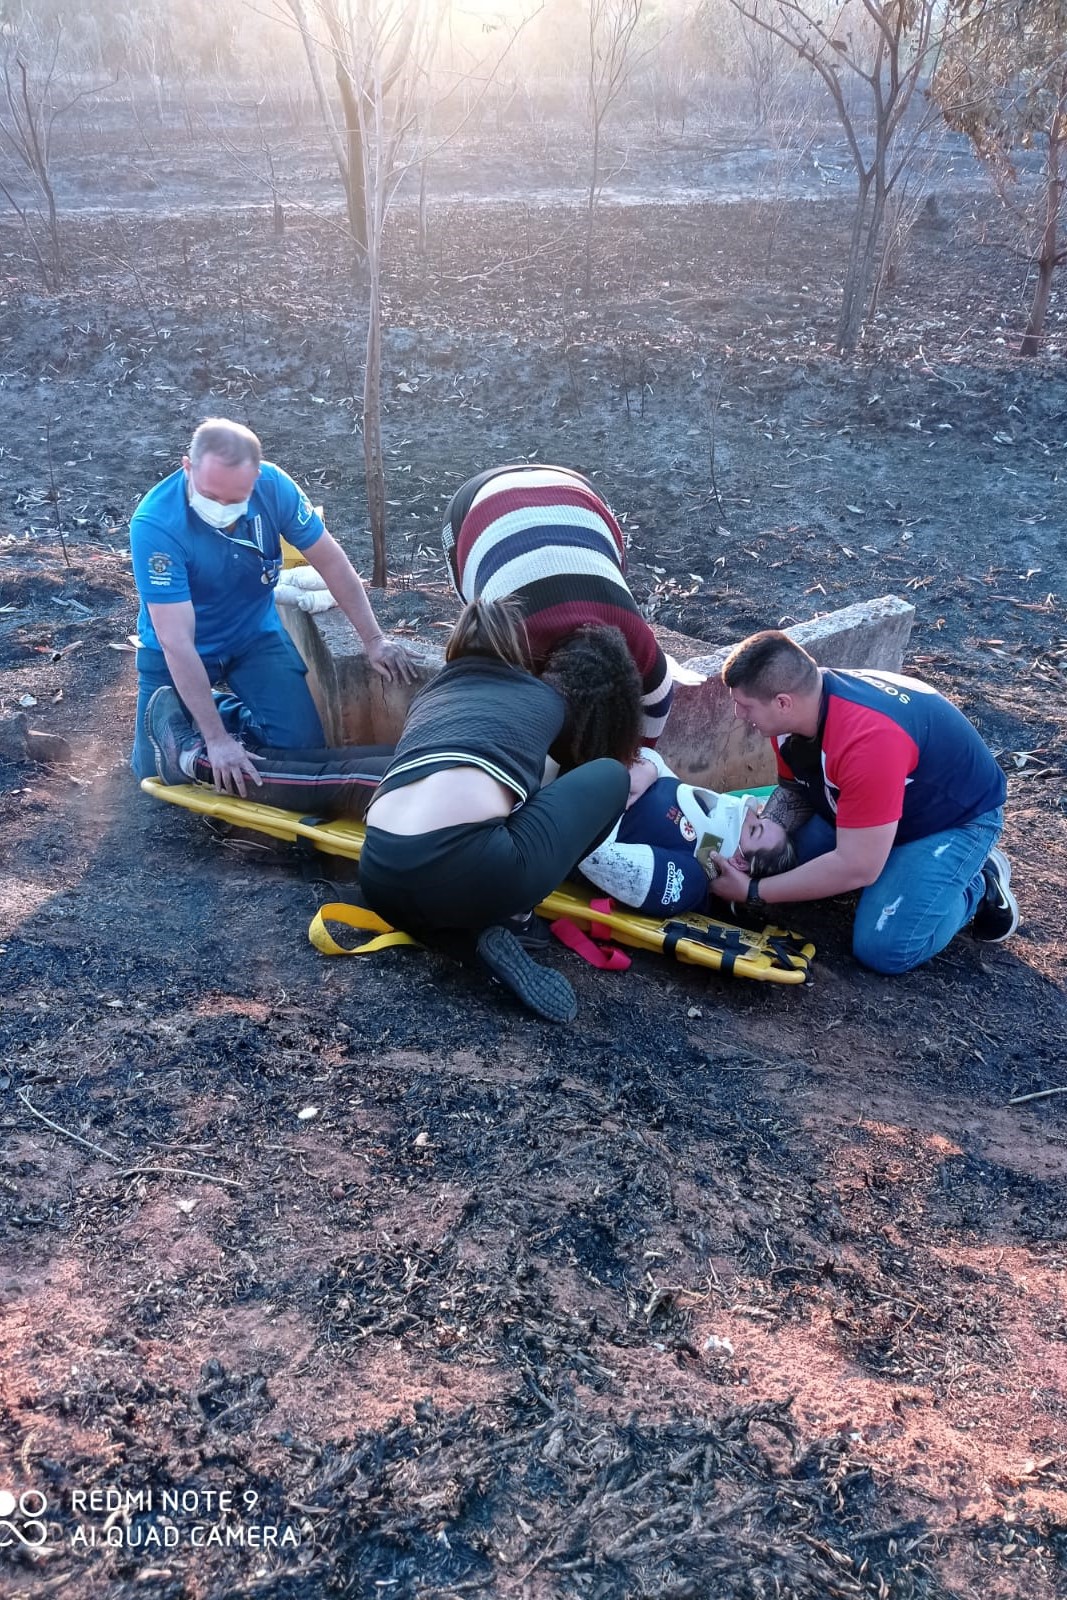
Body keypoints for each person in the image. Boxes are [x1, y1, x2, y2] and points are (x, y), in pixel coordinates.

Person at [146, 601, 641, 1023]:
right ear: (520, 655)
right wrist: (641, 775)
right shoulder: (544, 698)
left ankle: (470, 941)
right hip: (474, 872)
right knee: (610, 777)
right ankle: (508, 917)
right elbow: (559, 786)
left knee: (367, 774)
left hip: (380, 877)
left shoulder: (435, 693)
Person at [705, 630, 1018, 974]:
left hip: (949, 820)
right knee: (781, 864)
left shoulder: (867, 741)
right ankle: (895, 863)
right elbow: (795, 791)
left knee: (884, 948)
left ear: (782, 702)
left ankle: (977, 881)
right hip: (869, 807)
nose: (738, 714)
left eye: (745, 705)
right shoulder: (794, 714)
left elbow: (858, 866)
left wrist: (753, 891)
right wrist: (761, 840)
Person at [129, 417, 416, 791]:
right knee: (152, 774)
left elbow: (331, 561)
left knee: (300, 746)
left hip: (253, 638)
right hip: (179, 650)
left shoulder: (274, 486)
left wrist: (374, 639)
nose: (223, 509)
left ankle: (210, 712)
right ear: (187, 466)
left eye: (236, 499)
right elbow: (176, 640)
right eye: (212, 496)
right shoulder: (156, 524)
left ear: (255, 478)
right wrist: (216, 742)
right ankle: (195, 720)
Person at [442, 464, 674, 744]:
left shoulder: (635, 638)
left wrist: (644, 758)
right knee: (477, 604)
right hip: (473, 506)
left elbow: (659, 698)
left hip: (578, 494)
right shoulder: (504, 642)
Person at [578, 746, 796, 915]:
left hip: (561, 808)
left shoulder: (691, 880)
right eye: (759, 816)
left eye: (754, 830)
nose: (748, 813)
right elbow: (654, 758)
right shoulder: (700, 810)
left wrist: (621, 789)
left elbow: (591, 853)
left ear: (739, 862)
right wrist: (649, 768)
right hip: (585, 772)